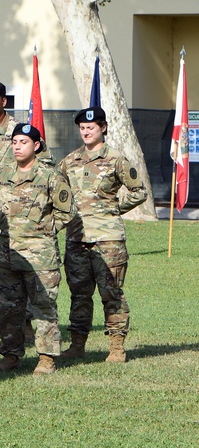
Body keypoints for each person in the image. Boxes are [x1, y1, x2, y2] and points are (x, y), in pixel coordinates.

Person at [57, 107, 148, 363]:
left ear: (103, 128)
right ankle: (77, 345)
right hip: (77, 239)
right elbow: (56, 191)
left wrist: (113, 208)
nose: (86, 132)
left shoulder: (116, 159)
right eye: (83, 128)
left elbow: (139, 191)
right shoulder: (69, 161)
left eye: (91, 128)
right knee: (79, 295)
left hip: (108, 239)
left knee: (112, 293)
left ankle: (117, 347)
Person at [0, 124, 73, 375]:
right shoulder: (1, 174)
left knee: (43, 307)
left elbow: (67, 213)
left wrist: (44, 231)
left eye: (23, 142)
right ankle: (11, 355)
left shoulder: (50, 176)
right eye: (14, 142)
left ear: (36, 146)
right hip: (7, 254)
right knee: (8, 307)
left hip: (40, 256)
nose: (17, 146)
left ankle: (47, 358)